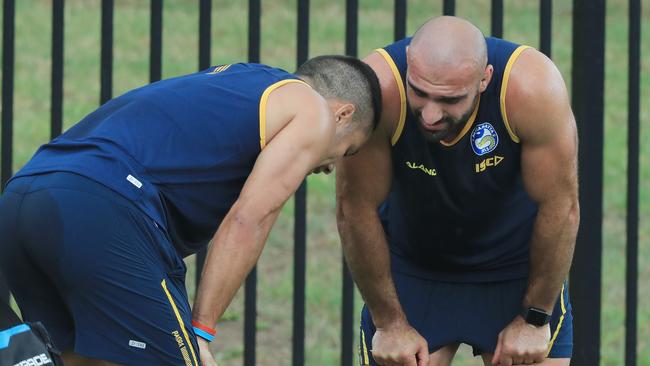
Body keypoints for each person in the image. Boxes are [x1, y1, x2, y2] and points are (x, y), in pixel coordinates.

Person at [0, 55, 382, 366]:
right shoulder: (312, 110)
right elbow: (250, 219)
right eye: (347, 151)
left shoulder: (240, 82)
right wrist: (199, 332)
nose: (330, 167)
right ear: (343, 115)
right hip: (98, 208)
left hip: (23, 200)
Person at [336, 16, 579, 366]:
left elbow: (560, 206)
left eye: (449, 99)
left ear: (484, 80)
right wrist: (388, 323)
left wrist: (535, 317)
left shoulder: (530, 88)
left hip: (516, 271)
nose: (430, 114)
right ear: (409, 64)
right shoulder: (379, 89)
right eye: (419, 92)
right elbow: (355, 208)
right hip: (414, 271)